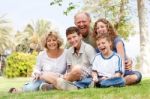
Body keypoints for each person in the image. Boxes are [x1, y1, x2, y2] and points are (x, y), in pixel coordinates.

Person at [93, 18, 142, 85]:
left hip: (122, 71)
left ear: (108, 28)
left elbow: (121, 61)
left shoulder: (117, 41)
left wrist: (119, 76)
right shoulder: (99, 47)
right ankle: (113, 82)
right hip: (108, 73)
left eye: (102, 27)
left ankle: (111, 82)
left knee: (136, 76)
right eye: (97, 28)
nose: (100, 29)